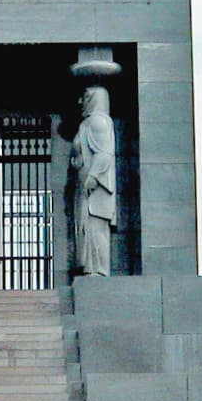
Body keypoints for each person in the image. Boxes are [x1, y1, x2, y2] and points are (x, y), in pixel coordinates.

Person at [71, 85, 116, 276]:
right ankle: (91, 268)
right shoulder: (88, 124)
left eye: (85, 97)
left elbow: (104, 154)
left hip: (94, 189)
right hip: (85, 188)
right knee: (88, 229)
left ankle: (98, 271)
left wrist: (93, 176)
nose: (81, 102)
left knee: (96, 228)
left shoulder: (97, 122)